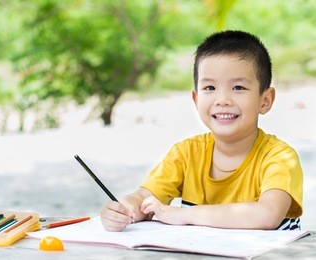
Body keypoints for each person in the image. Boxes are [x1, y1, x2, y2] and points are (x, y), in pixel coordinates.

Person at [100, 30, 303, 231]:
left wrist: (183, 215)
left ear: (265, 100)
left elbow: (266, 215)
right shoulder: (186, 153)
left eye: (238, 87)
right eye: (210, 88)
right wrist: (124, 210)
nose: (222, 100)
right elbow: (144, 197)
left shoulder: (280, 157)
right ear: (196, 100)